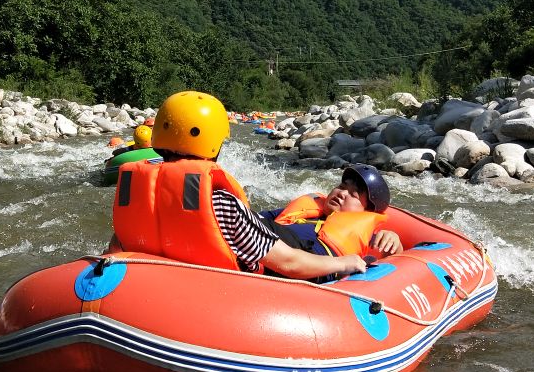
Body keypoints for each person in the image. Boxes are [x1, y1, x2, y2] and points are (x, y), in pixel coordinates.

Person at [109, 91, 366, 280]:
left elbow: (117, 246)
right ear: (212, 143)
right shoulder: (220, 202)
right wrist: (344, 263)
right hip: (213, 294)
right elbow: (288, 263)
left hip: (150, 282)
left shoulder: (135, 189)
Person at [262, 164, 403, 258]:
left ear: (366, 212)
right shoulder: (302, 211)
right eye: (342, 186)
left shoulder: (362, 236)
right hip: (256, 243)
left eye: (354, 195)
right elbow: (254, 216)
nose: (342, 193)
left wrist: (394, 243)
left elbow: (391, 262)